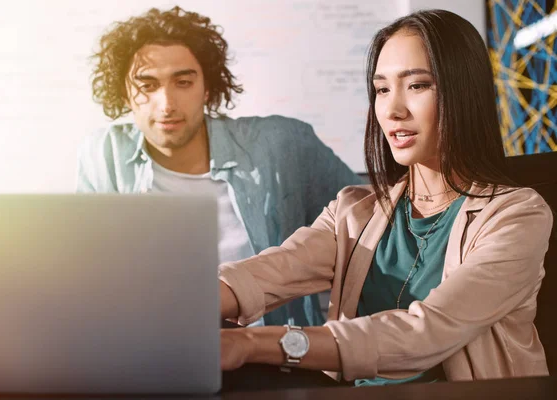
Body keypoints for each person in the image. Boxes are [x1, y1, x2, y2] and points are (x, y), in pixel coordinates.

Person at [219, 9, 553, 385]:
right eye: (381, 89)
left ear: (463, 92)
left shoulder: (517, 215)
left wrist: (251, 342)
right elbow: (273, 270)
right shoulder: (355, 211)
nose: (392, 111)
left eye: (417, 85)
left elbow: (423, 333)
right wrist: (187, 302)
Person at [76, 6, 362, 327]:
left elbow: (370, 224)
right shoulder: (104, 154)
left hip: (269, 350)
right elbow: (91, 273)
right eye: (147, 85)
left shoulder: (281, 143)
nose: (166, 104)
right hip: (150, 344)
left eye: (183, 82)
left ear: (207, 87)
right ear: (125, 93)